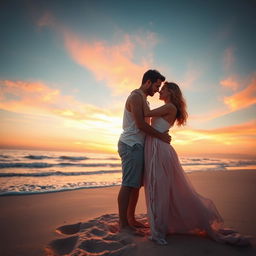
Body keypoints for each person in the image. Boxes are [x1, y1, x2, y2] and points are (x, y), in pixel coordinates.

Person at [143, 82, 251, 246]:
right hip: (158, 146)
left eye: (162, 89)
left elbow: (145, 112)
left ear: (170, 92)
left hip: (159, 148)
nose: (160, 91)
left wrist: (143, 95)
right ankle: (161, 223)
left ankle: (159, 227)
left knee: (160, 187)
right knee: (161, 187)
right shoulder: (169, 107)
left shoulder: (170, 107)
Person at [117, 70, 171, 234]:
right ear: (148, 82)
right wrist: (161, 136)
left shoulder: (144, 100)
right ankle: (123, 224)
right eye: (156, 85)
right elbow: (140, 125)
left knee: (136, 185)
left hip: (138, 145)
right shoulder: (135, 97)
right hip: (130, 145)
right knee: (128, 184)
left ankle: (131, 219)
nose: (157, 90)